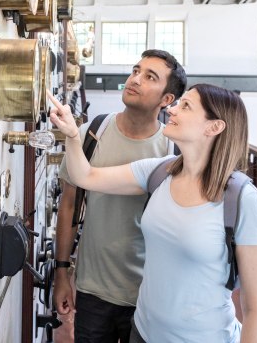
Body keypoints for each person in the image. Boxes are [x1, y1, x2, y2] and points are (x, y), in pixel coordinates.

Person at [48, 84, 257, 342]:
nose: (171, 110)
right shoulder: (160, 172)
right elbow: (86, 176)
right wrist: (72, 135)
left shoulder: (243, 200)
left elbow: (255, 309)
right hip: (143, 332)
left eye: (185, 106)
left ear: (214, 127)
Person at [53, 49, 187, 343]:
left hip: (146, 294)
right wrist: (61, 272)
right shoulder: (92, 132)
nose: (135, 79)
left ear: (167, 100)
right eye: (135, 70)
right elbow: (69, 207)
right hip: (92, 289)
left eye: (149, 77)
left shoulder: (172, 151)